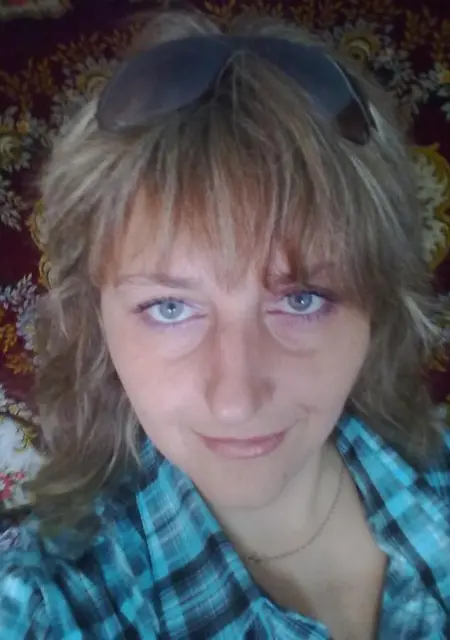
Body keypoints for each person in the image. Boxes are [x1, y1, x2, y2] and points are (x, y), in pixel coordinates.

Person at [0, 8, 449, 639]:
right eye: (170, 307)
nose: (236, 400)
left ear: (379, 305)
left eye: (302, 299)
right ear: (97, 319)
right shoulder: (44, 605)